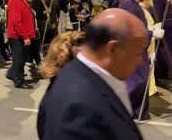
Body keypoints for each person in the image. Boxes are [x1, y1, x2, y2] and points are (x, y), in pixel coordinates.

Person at [37, 9, 147, 140]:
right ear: (113, 49)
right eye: (138, 52)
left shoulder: (90, 79)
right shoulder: (79, 111)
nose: (140, 61)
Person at [118, 0, 165, 119]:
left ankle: (133, 111)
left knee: (136, 81)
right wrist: (152, 33)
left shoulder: (127, 3)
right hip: (134, 50)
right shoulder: (131, 6)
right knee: (138, 81)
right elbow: (133, 30)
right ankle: (133, 112)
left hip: (133, 49)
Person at [6, 0, 36, 89]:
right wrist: (25, 37)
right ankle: (19, 82)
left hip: (22, 35)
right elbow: (16, 22)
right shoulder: (15, 0)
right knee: (19, 59)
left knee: (21, 58)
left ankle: (11, 74)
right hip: (17, 36)